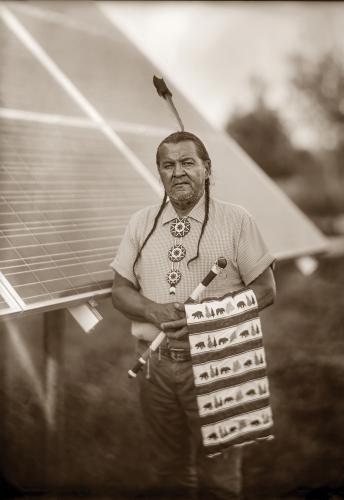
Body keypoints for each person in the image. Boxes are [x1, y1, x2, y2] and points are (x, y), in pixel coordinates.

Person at [110, 131, 276, 500]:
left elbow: (266, 290)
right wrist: (152, 308)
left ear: (207, 168)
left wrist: (207, 315)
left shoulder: (236, 220)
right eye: (167, 165)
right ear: (159, 173)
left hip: (219, 360)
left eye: (187, 162)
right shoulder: (140, 223)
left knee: (219, 478)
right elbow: (119, 292)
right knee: (168, 473)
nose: (178, 172)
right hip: (155, 367)